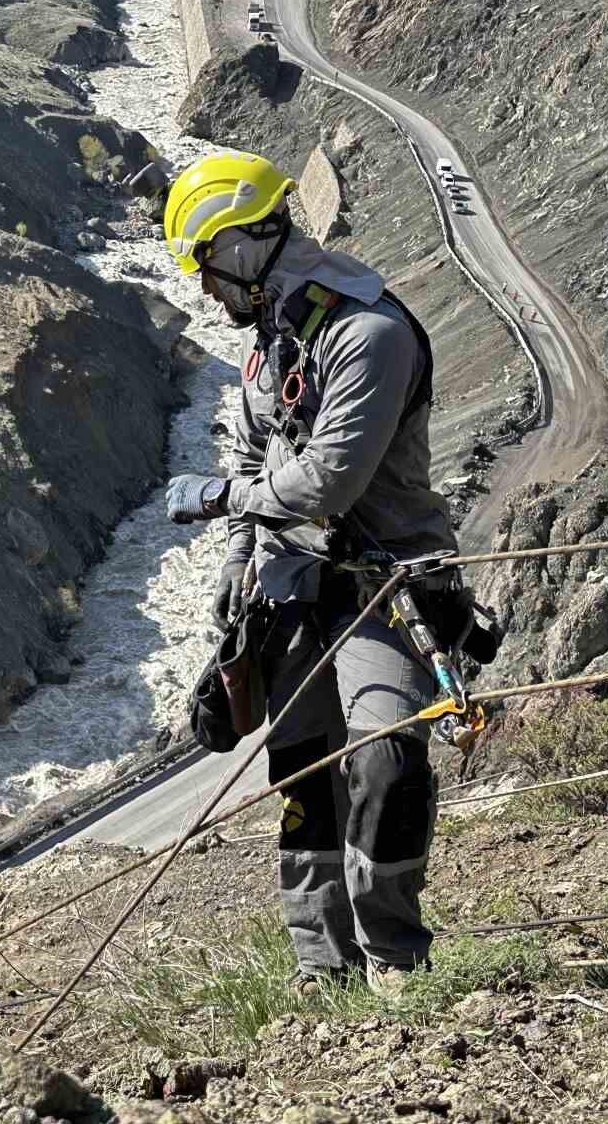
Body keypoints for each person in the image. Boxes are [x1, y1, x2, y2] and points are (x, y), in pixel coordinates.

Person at [158, 150, 459, 997]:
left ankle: (396, 962)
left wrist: (220, 501)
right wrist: (240, 559)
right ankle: (321, 970)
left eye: (208, 267)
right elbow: (261, 449)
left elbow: (330, 478)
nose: (206, 290)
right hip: (294, 587)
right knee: (303, 782)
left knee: (387, 764)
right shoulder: (273, 343)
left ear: (246, 246)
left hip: (385, 588)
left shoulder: (370, 334)